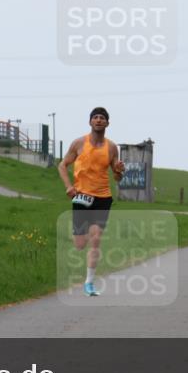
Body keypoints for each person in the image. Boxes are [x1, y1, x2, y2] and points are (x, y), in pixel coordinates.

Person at [58, 107, 125, 296]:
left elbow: (117, 177)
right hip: (81, 196)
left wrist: (120, 170)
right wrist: (68, 187)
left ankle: (89, 283)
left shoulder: (111, 147)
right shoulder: (79, 143)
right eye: (95, 117)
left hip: (103, 197)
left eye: (102, 118)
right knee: (80, 244)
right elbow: (62, 165)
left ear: (107, 123)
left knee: (95, 239)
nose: (98, 120)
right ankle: (82, 231)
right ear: (90, 122)